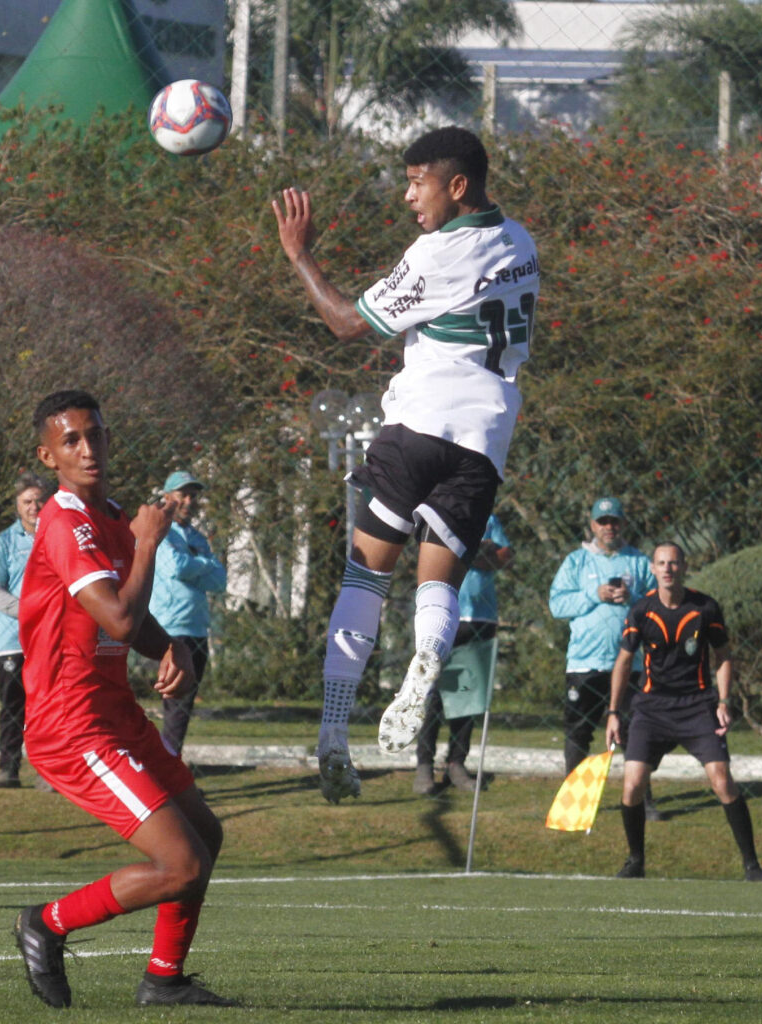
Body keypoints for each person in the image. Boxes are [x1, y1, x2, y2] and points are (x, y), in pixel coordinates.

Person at [273, 126, 540, 803]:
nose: (407, 196)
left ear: (455, 185)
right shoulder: (520, 242)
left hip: (417, 427)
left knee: (364, 581)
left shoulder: (435, 253)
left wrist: (299, 255)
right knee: (439, 586)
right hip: (483, 442)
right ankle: (426, 657)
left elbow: (343, 322)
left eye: (416, 182)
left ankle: (333, 736)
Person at [13, 389, 233, 1008]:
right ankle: (47, 923)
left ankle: (164, 979)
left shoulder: (109, 515)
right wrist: (148, 543)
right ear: (48, 455)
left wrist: (174, 647)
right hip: (72, 727)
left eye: (96, 434)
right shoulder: (64, 523)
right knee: (182, 863)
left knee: (204, 836)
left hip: (113, 714)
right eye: (72, 441)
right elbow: (116, 618)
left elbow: (132, 624)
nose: (89, 449)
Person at [606, 542, 762, 882]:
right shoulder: (641, 610)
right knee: (632, 785)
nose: (668, 569)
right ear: (652, 568)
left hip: (697, 707)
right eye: (661, 563)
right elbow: (622, 661)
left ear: (684, 566)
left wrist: (723, 701)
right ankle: (635, 861)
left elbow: (723, 656)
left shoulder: (705, 607)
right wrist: (613, 712)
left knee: (722, 780)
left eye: (674, 563)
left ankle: (752, 865)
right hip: (651, 709)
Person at [549, 497, 655, 780]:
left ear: (623, 524)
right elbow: (557, 606)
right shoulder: (576, 561)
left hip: (629, 665)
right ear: (593, 525)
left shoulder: (640, 562)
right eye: (603, 521)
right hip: (585, 665)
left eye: (614, 521)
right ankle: (570, 803)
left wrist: (632, 599)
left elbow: (658, 607)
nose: (609, 527)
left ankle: (641, 799)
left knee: (635, 733)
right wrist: (593, 595)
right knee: (578, 733)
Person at [413, 514, 513, 796]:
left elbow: (504, 556)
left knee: (467, 695)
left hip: (480, 618)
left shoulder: (489, 517)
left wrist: (470, 552)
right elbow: (436, 556)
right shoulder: (434, 512)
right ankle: (424, 764)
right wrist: (479, 551)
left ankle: (457, 762)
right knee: (433, 693)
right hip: (441, 613)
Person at [148, 470, 227, 756]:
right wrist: (204, 564)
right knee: (174, 705)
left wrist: (198, 563)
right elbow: (176, 568)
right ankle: (167, 771)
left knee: (182, 709)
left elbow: (219, 581)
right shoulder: (160, 531)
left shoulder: (197, 537)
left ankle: (169, 766)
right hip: (168, 629)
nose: (189, 501)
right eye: (183, 494)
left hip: (196, 629)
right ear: (167, 497)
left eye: (193, 495)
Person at [0, 471, 46, 789]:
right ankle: (8, 768)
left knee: (48, 707)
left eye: (39, 500)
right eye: (27, 502)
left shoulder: (60, 537)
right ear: (17, 506)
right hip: (13, 641)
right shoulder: (3, 543)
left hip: (52, 640)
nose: (34, 507)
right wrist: (29, 611)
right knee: (13, 706)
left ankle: (50, 772)